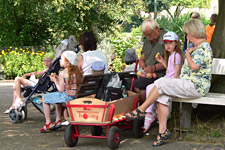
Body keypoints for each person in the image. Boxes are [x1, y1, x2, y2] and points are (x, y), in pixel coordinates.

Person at [125, 19, 213, 146]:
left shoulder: (203, 48)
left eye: (187, 33)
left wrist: (187, 54)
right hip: (187, 83)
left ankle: (141, 109)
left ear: (193, 33)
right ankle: (163, 132)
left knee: (161, 83)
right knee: (162, 94)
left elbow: (194, 67)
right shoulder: (197, 47)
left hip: (196, 86)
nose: (186, 36)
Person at [143, 31, 184, 133]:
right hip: (167, 79)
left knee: (150, 88)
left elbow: (176, 72)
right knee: (149, 87)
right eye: (166, 43)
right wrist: (162, 61)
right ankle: (150, 113)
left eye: (170, 43)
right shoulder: (171, 55)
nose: (168, 45)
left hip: (170, 82)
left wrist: (173, 83)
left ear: (176, 43)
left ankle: (149, 113)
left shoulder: (176, 56)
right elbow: (170, 69)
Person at [40, 51, 82, 133]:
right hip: (75, 96)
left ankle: (48, 122)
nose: (59, 61)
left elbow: (61, 90)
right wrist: (58, 79)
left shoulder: (63, 73)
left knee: (45, 98)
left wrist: (55, 81)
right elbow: (69, 84)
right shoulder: (77, 72)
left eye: (61, 59)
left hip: (67, 97)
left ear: (67, 61)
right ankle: (58, 120)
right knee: (57, 97)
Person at [133, 19, 166, 103]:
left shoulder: (166, 38)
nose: (148, 37)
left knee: (141, 86)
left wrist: (154, 67)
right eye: (146, 35)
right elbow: (142, 57)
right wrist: (142, 63)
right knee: (135, 84)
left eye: (150, 34)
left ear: (157, 28)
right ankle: (147, 110)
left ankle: (146, 111)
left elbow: (172, 61)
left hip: (161, 74)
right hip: (147, 74)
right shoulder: (147, 40)